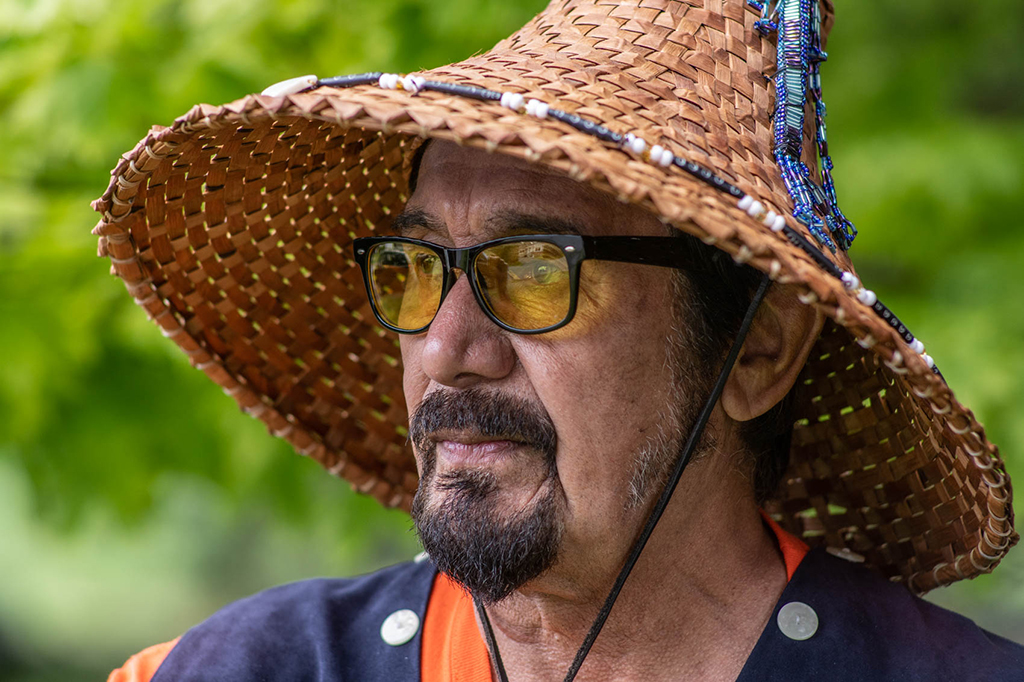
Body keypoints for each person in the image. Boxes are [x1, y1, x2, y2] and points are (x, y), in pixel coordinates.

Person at [94, 0, 1022, 680]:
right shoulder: (236, 672)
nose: (449, 348)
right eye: (413, 268)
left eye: (534, 268)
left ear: (758, 351)